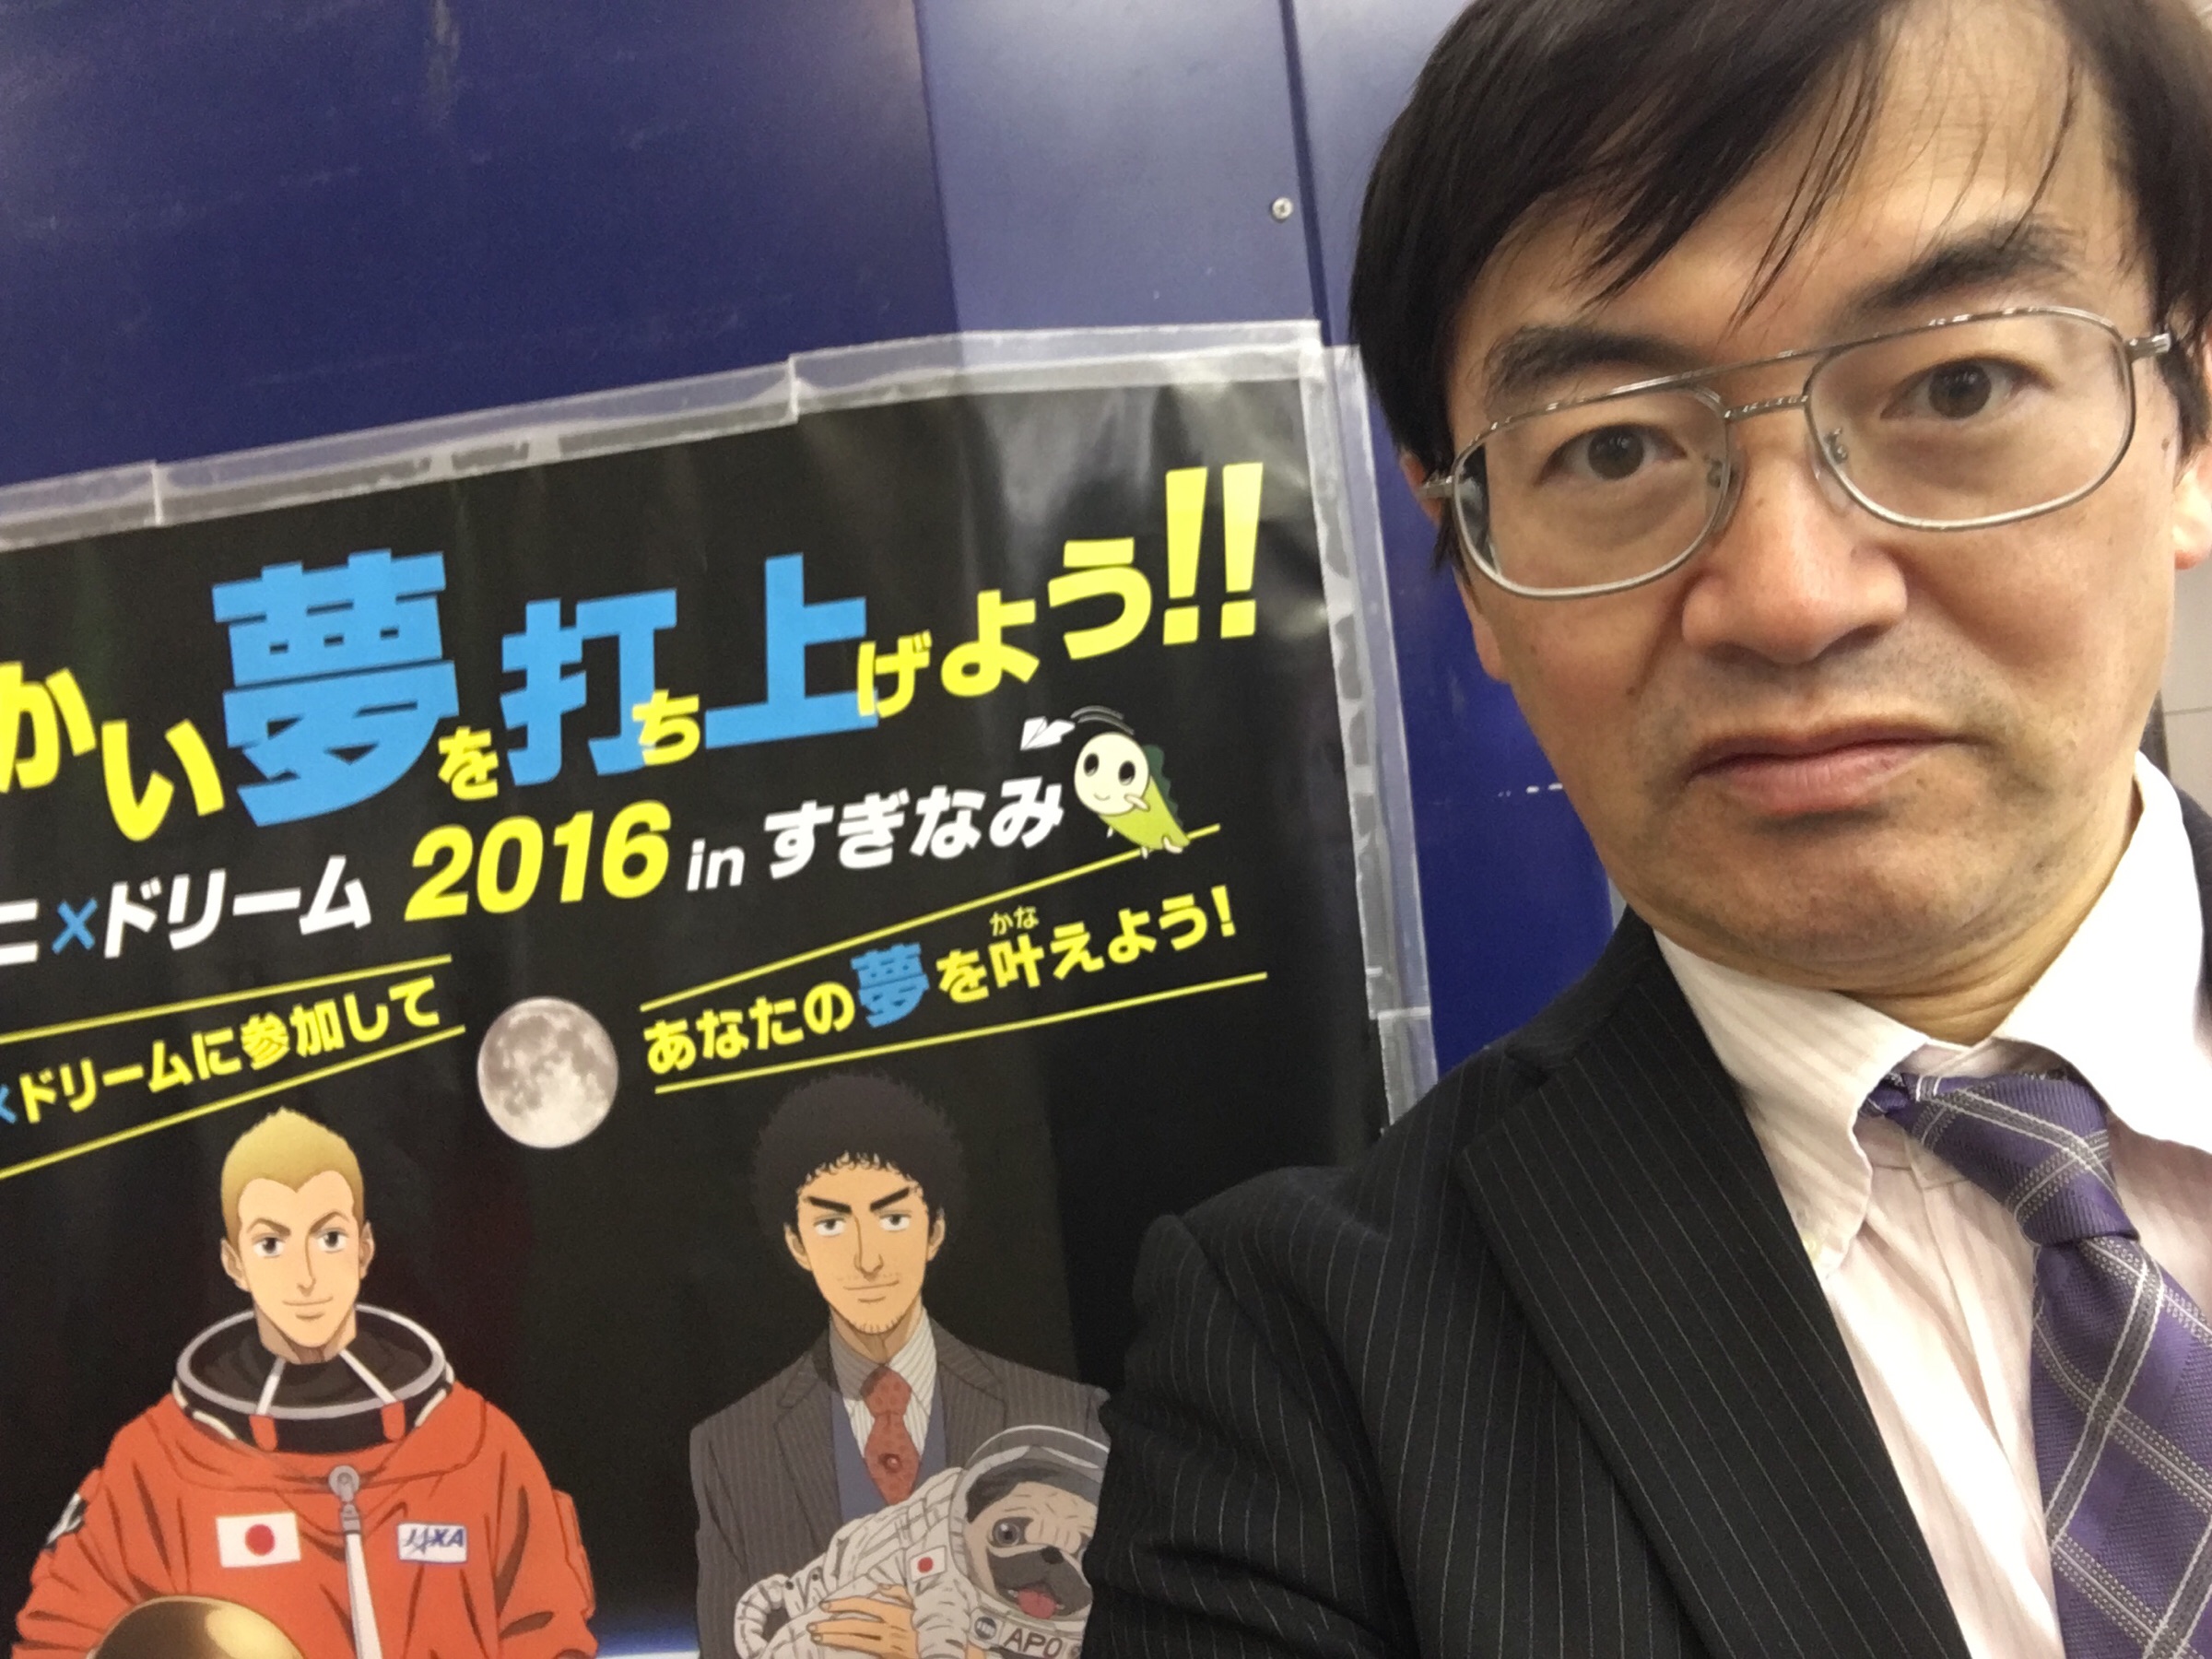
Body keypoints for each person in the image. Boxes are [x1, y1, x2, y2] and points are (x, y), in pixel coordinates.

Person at [1082, 2, 2212, 1657]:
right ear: (1467, 557)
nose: (1791, 597)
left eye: (1958, 382)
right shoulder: (1306, 1368)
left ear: (2190, 431)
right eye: (1612, 448)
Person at [14, 1109, 596, 1659]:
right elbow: (61, 1639)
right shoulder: (158, 1464)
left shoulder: (480, 1449)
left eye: (329, 1238)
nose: (306, 1276)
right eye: (271, 1244)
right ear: (234, 1263)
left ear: (364, 1249)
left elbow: (550, 1635)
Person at [690, 1076, 1105, 1659]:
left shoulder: (1069, 1414)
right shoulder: (731, 1447)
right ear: (797, 1243)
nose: (867, 1258)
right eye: (831, 1223)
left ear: (934, 1229)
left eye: (893, 1218)